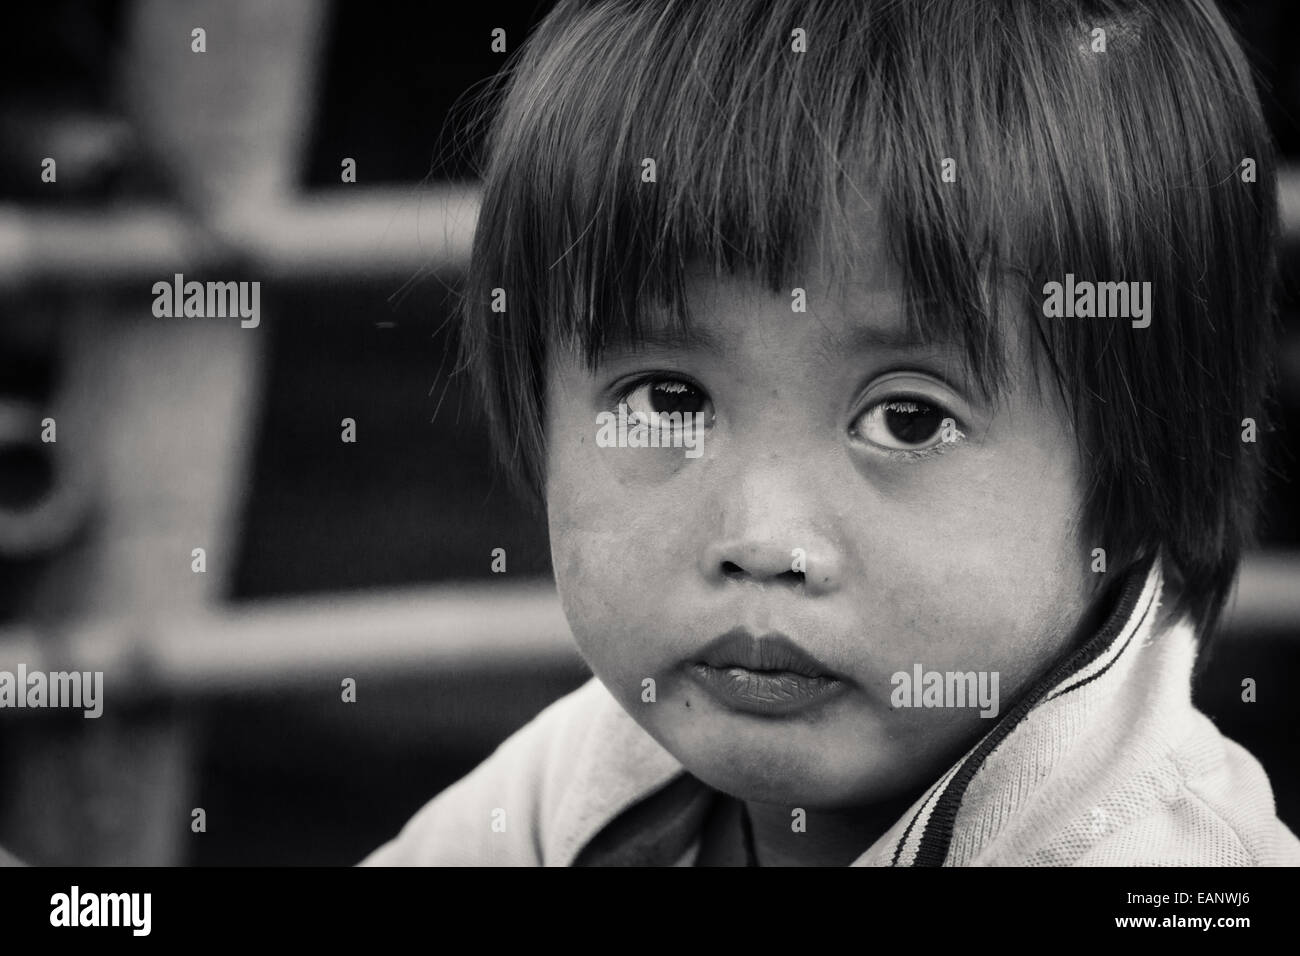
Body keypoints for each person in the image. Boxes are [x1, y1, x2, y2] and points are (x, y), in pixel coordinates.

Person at [364, 0, 1300, 865]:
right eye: (666, 400)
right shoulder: (580, 786)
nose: (764, 542)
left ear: (1141, 477)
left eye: (909, 417)